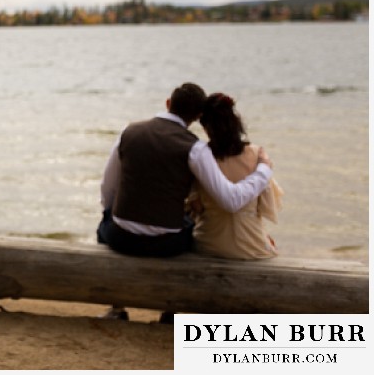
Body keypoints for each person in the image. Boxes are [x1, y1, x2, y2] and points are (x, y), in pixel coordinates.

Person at [96, 82, 274, 322]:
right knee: (189, 221)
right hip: (165, 244)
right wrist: (262, 171)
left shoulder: (129, 132)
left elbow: (108, 188)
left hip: (121, 237)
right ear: (197, 116)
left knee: (107, 219)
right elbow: (231, 201)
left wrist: (119, 213)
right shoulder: (195, 148)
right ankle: (169, 311)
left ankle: (117, 309)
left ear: (168, 103)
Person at [187, 92, 283, 259]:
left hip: (207, 243)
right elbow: (266, 207)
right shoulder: (257, 155)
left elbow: (196, 208)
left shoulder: (201, 158)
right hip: (250, 247)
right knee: (268, 242)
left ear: (206, 127)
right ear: (235, 121)